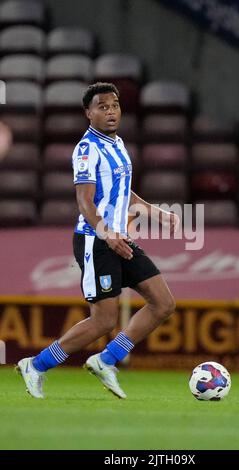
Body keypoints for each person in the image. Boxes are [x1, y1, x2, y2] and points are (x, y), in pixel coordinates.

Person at [17, 82, 179, 399]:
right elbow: (85, 202)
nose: (110, 111)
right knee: (104, 320)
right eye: (102, 106)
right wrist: (108, 234)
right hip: (96, 240)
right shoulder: (87, 149)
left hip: (120, 239)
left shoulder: (117, 143)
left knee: (163, 304)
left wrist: (157, 213)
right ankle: (35, 365)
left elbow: (122, 192)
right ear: (88, 113)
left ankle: (105, 360)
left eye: (115, 105)